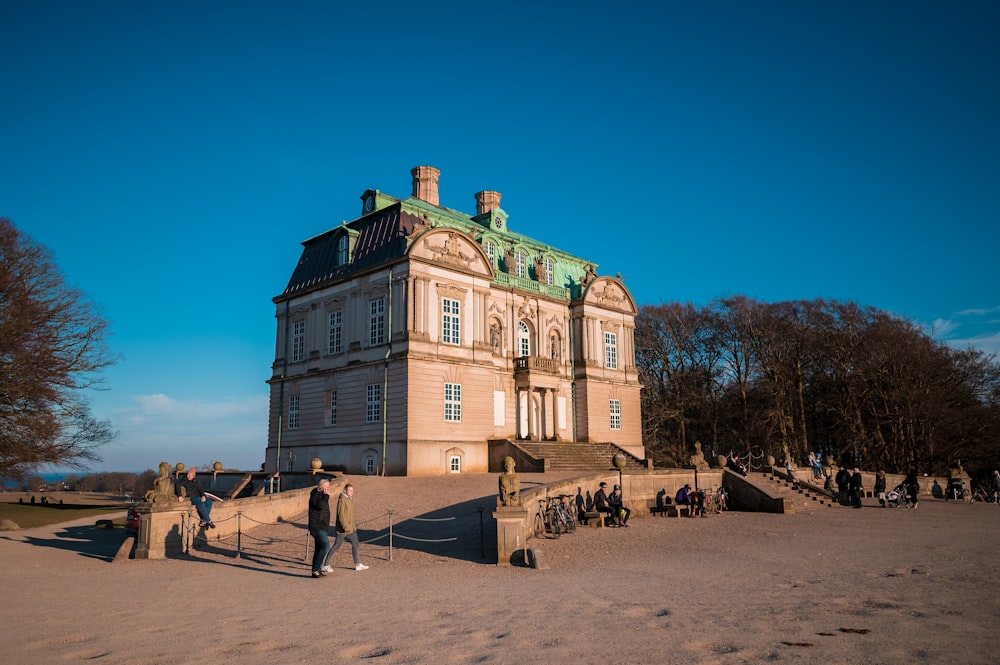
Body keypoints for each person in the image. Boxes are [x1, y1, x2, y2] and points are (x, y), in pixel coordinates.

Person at [322, 483, 368, 572]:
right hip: (343, 529)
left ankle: (358, 564)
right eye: (349, 490)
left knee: (356, 543)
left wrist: (353, 526)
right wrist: (346, 527)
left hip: (350, 528)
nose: (351, 492)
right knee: (336, 546)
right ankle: (326, 564)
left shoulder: (348, 499)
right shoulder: (342, 500)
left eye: (352, 491)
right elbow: (341, 515)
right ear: (345, 490)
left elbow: (350, 515)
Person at [308, 478, 332, 578]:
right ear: (321, 488)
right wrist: (325, 495)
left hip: (323, 525)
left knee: (318, 548)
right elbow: (321, 506)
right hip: (316, 526)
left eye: (329, 487)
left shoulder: (321, 495)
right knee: (326, 545)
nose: (328, 489)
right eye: (327, 488)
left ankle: (316, 570)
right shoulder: (315, 495)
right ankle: (317, 567)